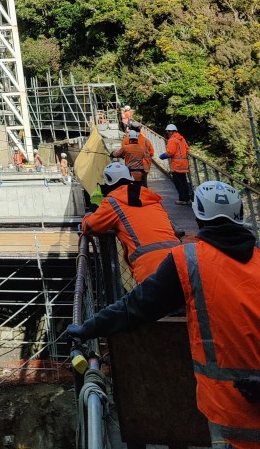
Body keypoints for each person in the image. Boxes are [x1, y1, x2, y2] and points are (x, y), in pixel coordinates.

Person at [61, 181, 260, 449]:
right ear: (241, 215)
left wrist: (87, 328)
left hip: (233, 416)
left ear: (197, 216)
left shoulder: (189, 261)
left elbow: (135, 307)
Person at [81, 161, 183, 282]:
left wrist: (92, 209)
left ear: (108, 183)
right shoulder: (151, 197)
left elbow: (88, 227)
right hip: (179, 260)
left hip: (149, 269)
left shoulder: (113, 202)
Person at [161, 123, 192, 204]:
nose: (167, 133)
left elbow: (170, 152)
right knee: (184, 181)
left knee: (178, 183)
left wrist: (163, 156)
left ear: (171, 132)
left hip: (177, 165)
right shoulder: (182, 139)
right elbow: (187, 149)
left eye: (168, 132)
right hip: (184, 164)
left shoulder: (172, 140)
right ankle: (187, 199)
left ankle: (182, 199)